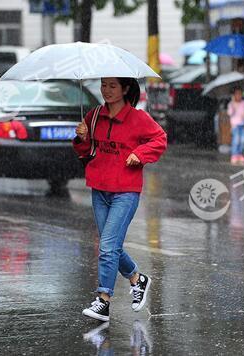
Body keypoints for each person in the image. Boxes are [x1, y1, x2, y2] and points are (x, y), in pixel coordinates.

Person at [73, 77, 167, 322]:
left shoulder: (138, 118)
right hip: (99, 189)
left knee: (107, 247)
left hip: (125, 191)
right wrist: (82, 138)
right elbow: (85, 152)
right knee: (110, 246)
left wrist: (140, 153)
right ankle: (137, 279)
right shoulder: (94, 116)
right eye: (104, 85)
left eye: (112, 86)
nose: (107, 90)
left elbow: (160, 139)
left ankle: (103, 300)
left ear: (125, 89)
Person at [227, 86, 244, 165]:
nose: (238, 96)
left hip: (243, 124)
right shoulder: (231, 104)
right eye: (237, 94)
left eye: (240, 94)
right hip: (235, 125)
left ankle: (240, 154)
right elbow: (230, 113)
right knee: (236, 140)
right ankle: (235, 154)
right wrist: (233, 104)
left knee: (243, 140)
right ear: (234, 95)